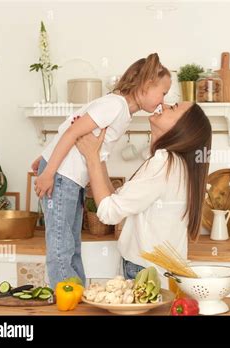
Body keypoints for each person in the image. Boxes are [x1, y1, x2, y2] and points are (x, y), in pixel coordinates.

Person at [31, 53, 171, 288]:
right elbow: (73, 132)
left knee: (70, 241)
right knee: (60, 243)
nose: (163, 101)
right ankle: (67, 300)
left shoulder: (121, 110)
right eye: (163, 93)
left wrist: (46, 157)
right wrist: (48, 171)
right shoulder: (114, 105)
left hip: (68, 177)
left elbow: (86, 140)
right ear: (147, 85)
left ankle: (75, 295)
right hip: (62, 176)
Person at [74, 101, 212, 282]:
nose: (164, 103)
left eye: (173, 107)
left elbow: (109, 213)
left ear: (182, 128)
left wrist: (91, 157)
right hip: (157, 271)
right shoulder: (176, 164)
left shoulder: (164, 163)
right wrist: (98, 155)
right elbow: (116, 202)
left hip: (145, 272)